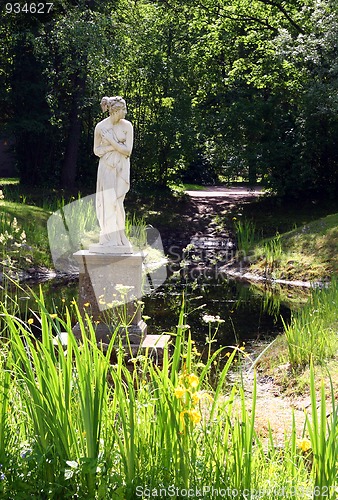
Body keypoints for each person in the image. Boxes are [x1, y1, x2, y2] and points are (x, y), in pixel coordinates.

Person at [93, 96, 133, 249]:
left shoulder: (127, 126)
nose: (125, 112)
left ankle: (120, 235)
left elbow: (127, 150)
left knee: (118, 202)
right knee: (107, 203)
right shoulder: (100, 127)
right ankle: (109, 237)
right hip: (106, 168)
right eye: (123, 109)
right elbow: (96, 151)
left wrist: (111, 140)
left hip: (121, 168)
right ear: (115, 111)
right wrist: (112, 146)